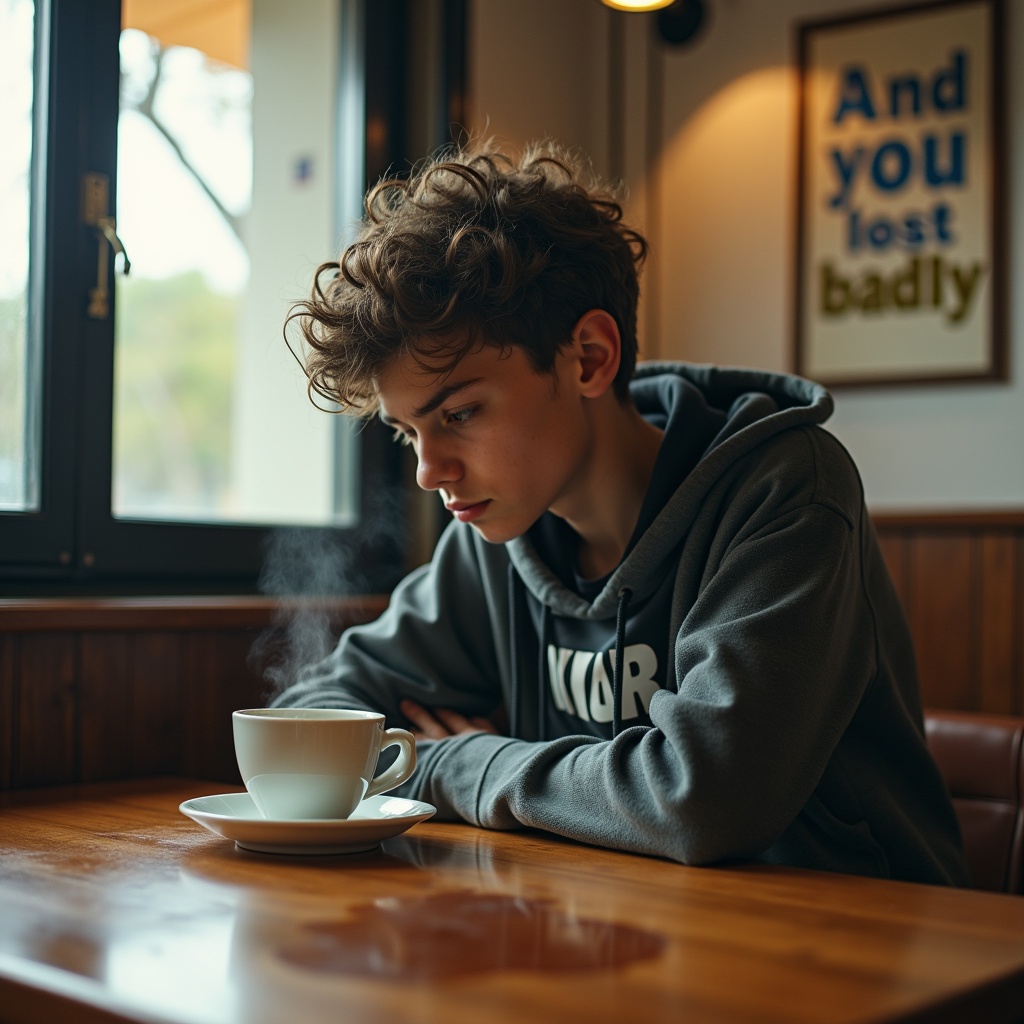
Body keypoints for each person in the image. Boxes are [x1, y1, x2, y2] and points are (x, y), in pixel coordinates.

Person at [273, 140, 969, 885]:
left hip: (864, 946)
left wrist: (458, 764)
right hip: (620, 932)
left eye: (463, 412)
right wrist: (565, 783)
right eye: (408, 431)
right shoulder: (497, 528)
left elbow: (700, 799)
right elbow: (305, 722)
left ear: (589, 358)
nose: (427, 470)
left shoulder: (785, 491)